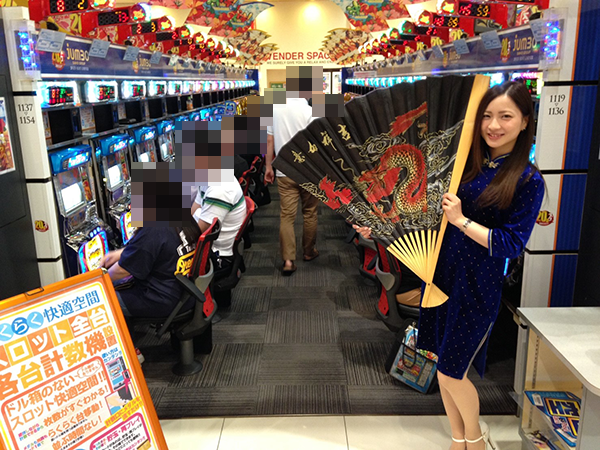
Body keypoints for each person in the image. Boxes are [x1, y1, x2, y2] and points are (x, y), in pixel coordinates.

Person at [355, 81, 544, 450]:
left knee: (452, 371)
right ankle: (459, 439)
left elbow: (510, 243)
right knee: (440, 366)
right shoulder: (467, 163)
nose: (494, 125)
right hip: (439, 276)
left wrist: (461, 221)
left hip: (477, 285)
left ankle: (475, 439)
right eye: (486, 116)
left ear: (525, 121)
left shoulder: (527, 179)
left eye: (505, 116)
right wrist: (378, 225)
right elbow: (425, 212)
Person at [265, 96, 319, 275]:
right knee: (310, 212)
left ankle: (288, 261)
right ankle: (309, 252)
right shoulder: (311, 111)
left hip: (284, 170)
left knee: (287, 216)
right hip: (308, 172)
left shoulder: (273, 110)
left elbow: (269, 141)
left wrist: (268, 167)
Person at [102, 222, 202, 319]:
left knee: (100, 300)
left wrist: (98, 280)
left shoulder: (154, 228)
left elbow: (122, 271)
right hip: (185, 293)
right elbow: (152, 245)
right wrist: (122, 253)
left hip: (161, 299)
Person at [191, 175, 246, 281]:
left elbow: (197, 233)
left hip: (216, 256)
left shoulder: (220, 189)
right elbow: (192, 212)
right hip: (208, 247)